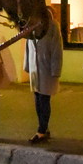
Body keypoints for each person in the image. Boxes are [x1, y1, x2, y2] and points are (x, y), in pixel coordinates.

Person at [23, 8, 63, 143]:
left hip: (46, 69)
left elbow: (57, 49)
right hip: (35, 68)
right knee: (37, 98)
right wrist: (27, 66)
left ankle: (41, 130)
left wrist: (55, 70)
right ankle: (43, 129)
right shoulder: (32, 27)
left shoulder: (52, 27)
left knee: (44, 99)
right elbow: (28, 47)